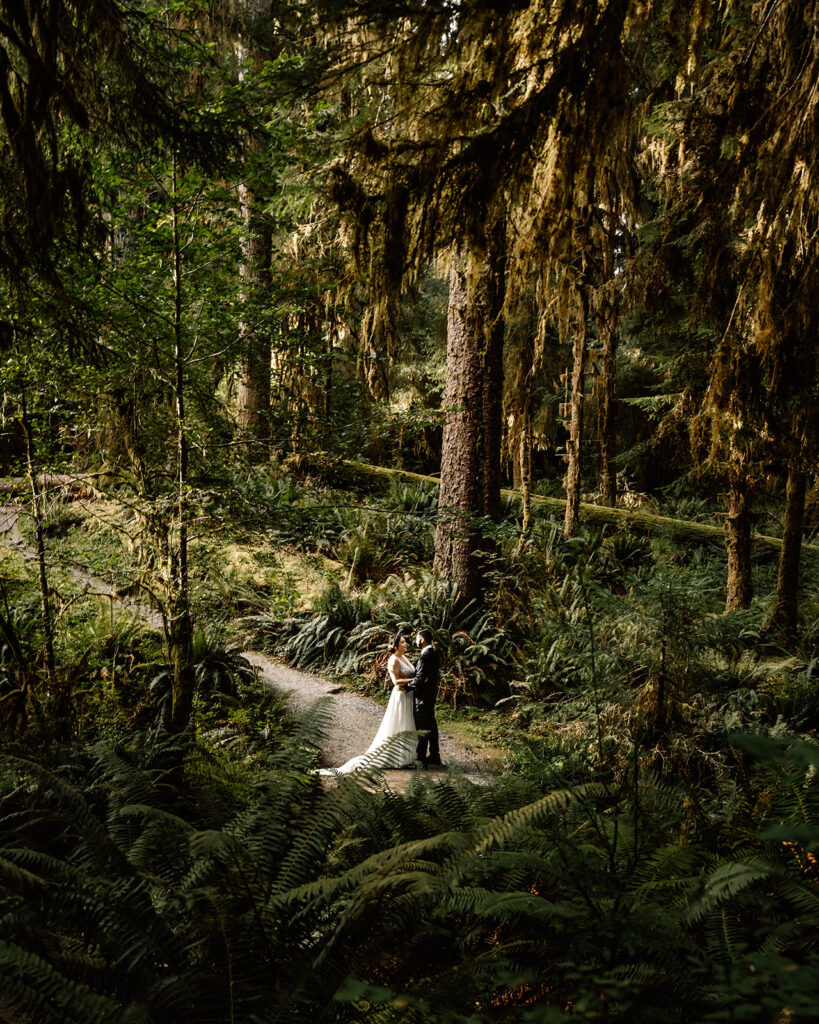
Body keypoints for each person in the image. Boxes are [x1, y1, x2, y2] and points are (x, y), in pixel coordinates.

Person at [316, 632, 418, 775]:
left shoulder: (404, 658)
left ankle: (408, 756)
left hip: (409, 696)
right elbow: (395, 682)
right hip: (400, 696)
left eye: (405, 641)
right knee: (400, 726)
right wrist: (414, 681)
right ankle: (398, 758)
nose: (405, 644)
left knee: (408, 725)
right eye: (402, 642)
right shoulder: (394, 660)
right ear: (394, 645)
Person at [403, 627, 443, 768]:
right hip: (430, 695)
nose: (415, 640)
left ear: (422, 640)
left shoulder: (425, 657)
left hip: (423, 698)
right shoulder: (434, 654)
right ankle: (434, 755)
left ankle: (419, 761)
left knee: (422, 728)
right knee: (431, 726)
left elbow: (420, 679)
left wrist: (406, 687)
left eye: (417, 638)